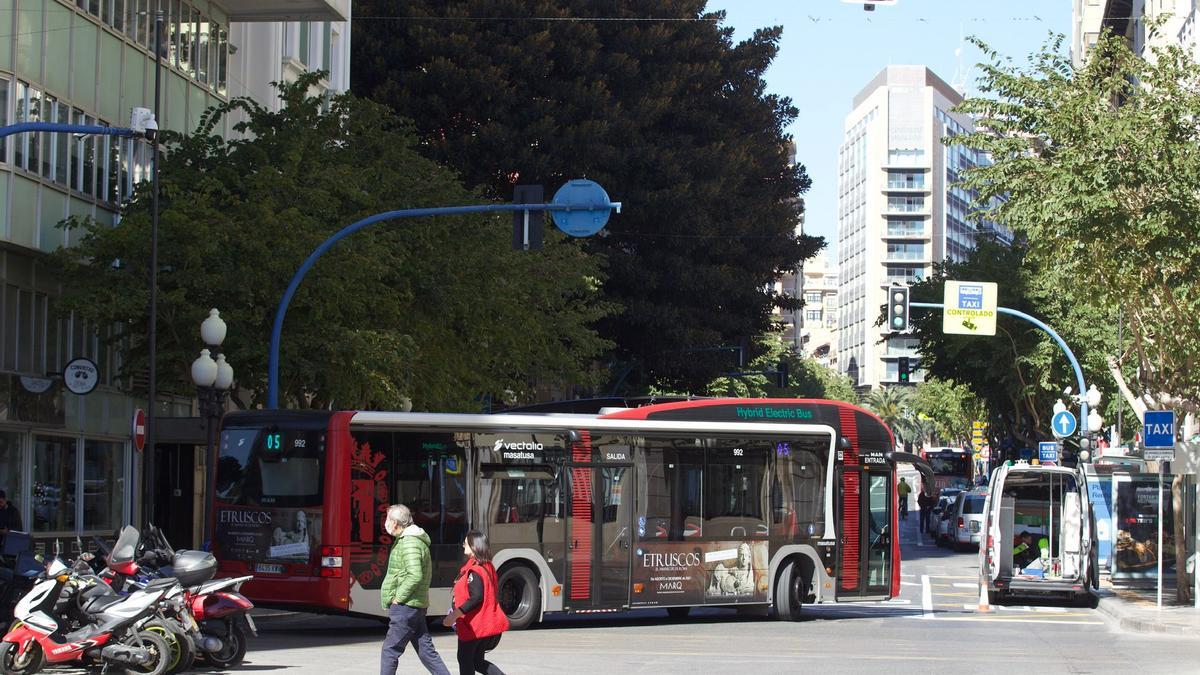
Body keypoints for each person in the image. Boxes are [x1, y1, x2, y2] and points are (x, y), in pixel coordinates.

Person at [379, 504, 450, 675]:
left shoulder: (409, 542)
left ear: (396, 523)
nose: (385, 523)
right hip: (414, 606)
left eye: (387, 519)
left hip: (406, 606)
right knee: (427, 653)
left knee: (389, 651)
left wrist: (399, 598)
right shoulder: (409, 539)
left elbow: (415, 575)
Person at [441, 531, 508, 675]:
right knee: (476, 660)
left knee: (464, 658)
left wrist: (455, 615)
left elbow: (476, 597)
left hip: (473, 624)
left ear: (474, 546)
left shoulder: (475, 570)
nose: (463, 544)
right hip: (484, 623)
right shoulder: (487, 566)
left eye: (466, 542)